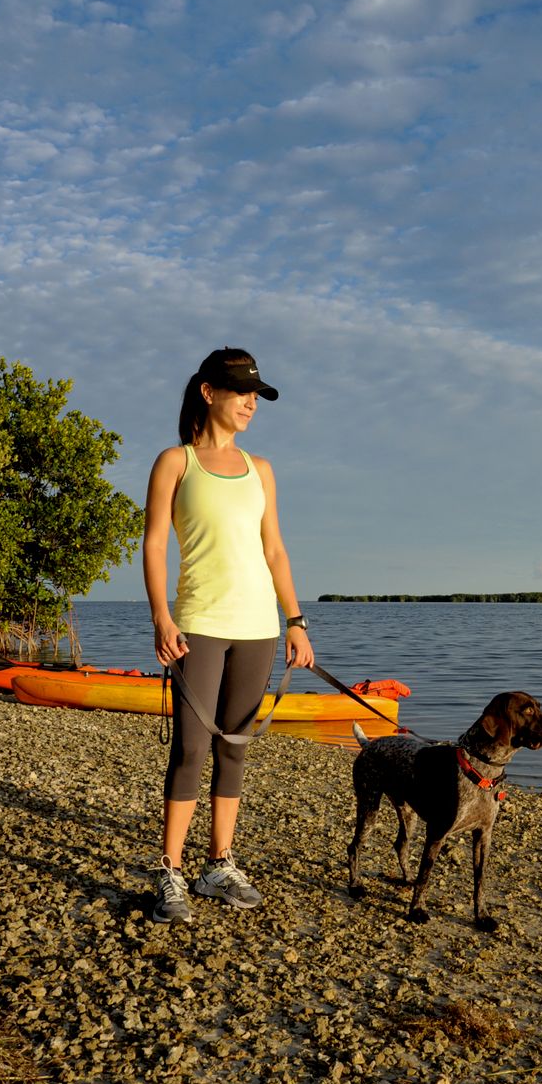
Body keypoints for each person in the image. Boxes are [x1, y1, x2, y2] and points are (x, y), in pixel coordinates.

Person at [142, 347, 314, 923]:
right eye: (240, 391)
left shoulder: (261, 470)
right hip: (198, 625)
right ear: (209, 392)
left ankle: (218, 863)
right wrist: (161, 617)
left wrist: (294, 620)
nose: (250, 403)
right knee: (190, 748)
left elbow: (275, 550)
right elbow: (155, 545)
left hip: (258, 628)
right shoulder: (176, 462)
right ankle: (169, 871)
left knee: (234, 747)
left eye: (256, 395)